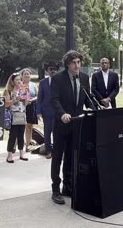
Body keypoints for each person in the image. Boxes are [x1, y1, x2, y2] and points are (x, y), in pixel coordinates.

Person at [50, 50, 91, 205]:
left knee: (71, 157)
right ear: (68, 63)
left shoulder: (85, 78)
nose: (77, 65)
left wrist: (100, 105)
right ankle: (55, 189)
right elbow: (54, 100)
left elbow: (86, 99)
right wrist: (62, 114)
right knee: (58, 157)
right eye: (74, 62)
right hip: (62, 125)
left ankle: (68, 186)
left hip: (77, 124)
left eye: (79, 62)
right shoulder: (57, 79)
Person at [4, 73, 29, 163]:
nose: (19, 81)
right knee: (12, 136)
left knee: (21, 135)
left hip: (22, 115)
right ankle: (9, 155)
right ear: (12, 81)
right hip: (13, 116)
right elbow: (6, 104)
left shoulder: (23, 90)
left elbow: (26, 104)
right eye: (16, 80)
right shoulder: (8, 91)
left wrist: (26, 95)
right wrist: (15, 99)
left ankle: (21, 154)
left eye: (20, 79)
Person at [37, 61, 59, 159]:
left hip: (58, 111)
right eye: (50, 69)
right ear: (47, 71)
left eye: (54, 69)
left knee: (57, 132)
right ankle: (48, 151)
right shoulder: (43, 82)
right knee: (47, 131)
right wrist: (38, 112)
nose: (52, 71)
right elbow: (39, 98)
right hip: (46, 111)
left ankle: (57, 151)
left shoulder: (61, 82)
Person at [21, 69, 38, 152]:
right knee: (21, 126)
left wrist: (31, 100)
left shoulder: (33, 85)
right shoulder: (19, 84)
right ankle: (19, 143)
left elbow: (38, 96)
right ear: (22, 75)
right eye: (25, 74)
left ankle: (27, 145)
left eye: (28, 74)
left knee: (29, 126)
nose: (27, 75)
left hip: (31, 106)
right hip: (21, 107)